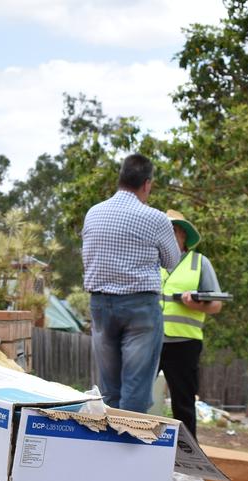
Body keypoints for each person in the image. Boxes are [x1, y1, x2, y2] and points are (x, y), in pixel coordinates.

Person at [82, 154, 180, 411]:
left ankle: (109, 446)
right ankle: (131, 444)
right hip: (140, 309)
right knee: (135, 391)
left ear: (121, 178)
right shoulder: (156, 218)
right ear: (146, 184)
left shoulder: (94, 214)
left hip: (101, 305)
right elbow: (172, 261)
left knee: (109, 390)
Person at [158, 210, 223, 437]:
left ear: (184, 235)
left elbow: (216, 305)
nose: (168, 236)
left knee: (183, 403)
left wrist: (194, 305)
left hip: (184, 344)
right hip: (149, 340)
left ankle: (186, 457)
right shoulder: (150, 262)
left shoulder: (199, 263)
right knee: (137, 398)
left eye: (173, 231)